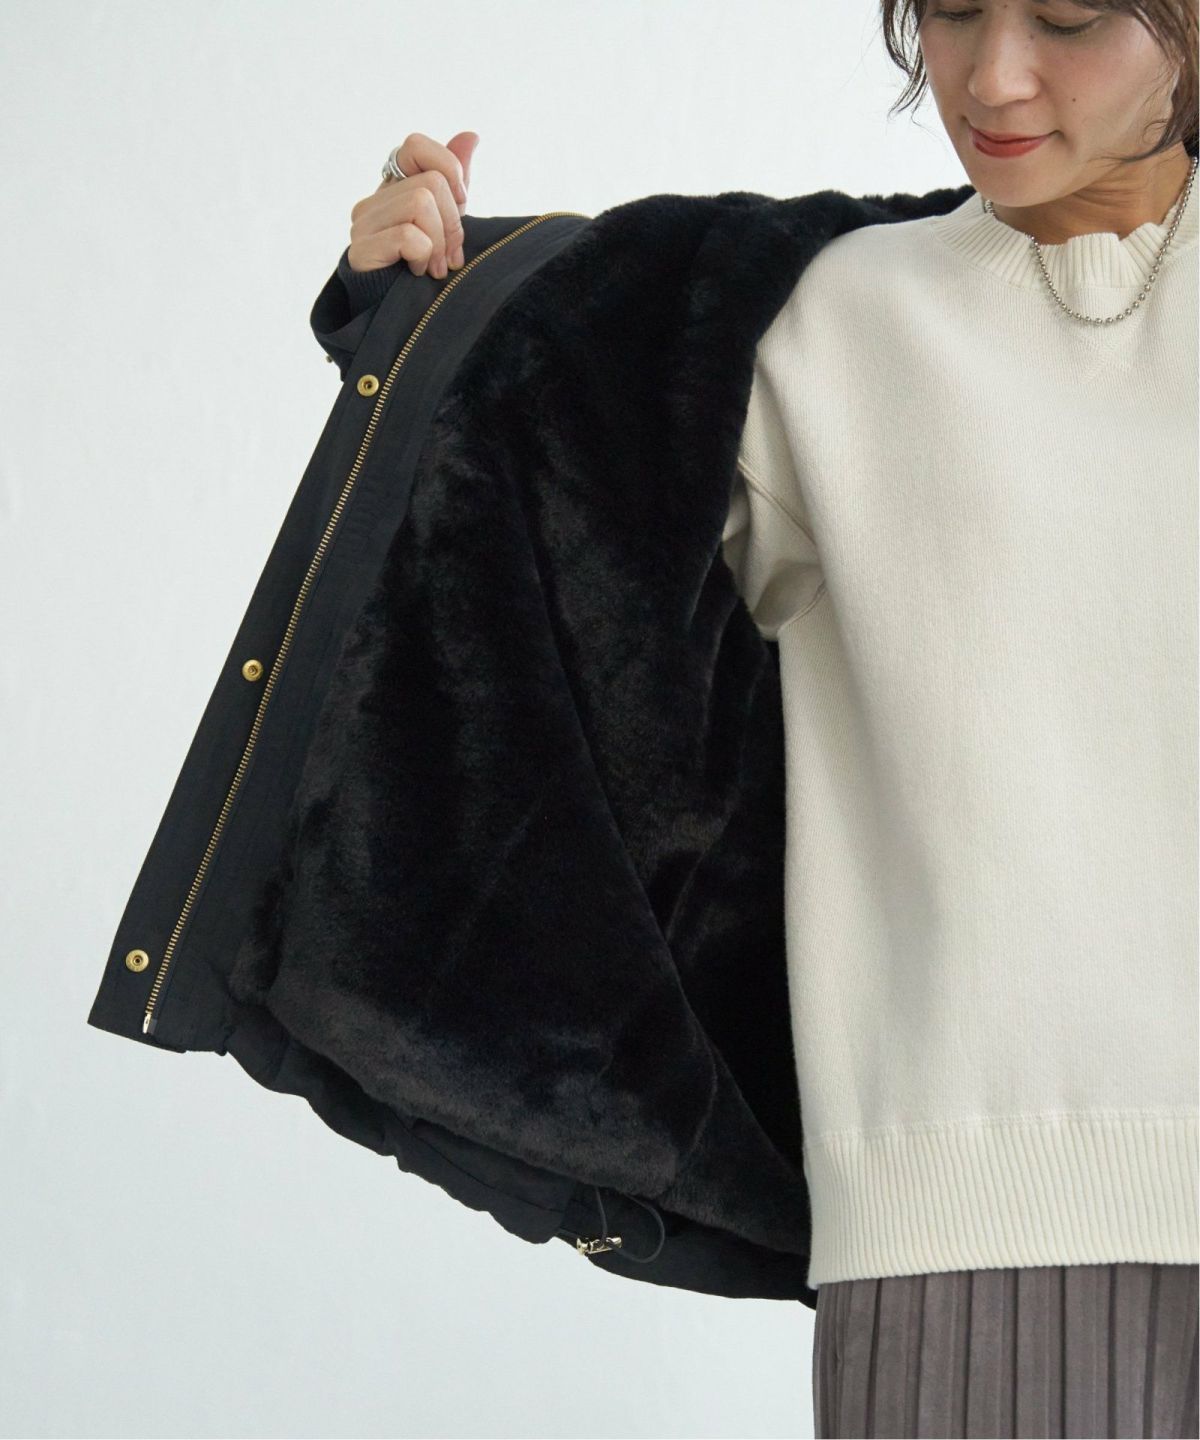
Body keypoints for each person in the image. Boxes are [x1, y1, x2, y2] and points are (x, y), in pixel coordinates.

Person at [329, 4, 1198, 1435]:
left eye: (1067, 16)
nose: (993, 76)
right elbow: (531, 549)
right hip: (965, 1224)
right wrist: (419, 314)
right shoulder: (826, 322)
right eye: (953, 9)